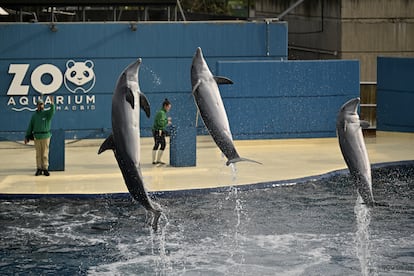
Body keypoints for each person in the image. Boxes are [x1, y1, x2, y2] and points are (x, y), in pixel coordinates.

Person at [24, 96, 56, 176]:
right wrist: (27, 136)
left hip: (45, 136)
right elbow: (30, 126)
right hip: (37, 137)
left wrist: (52, 103)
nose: (40, 106)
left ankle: (45, 168)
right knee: (38, 154)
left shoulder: (47, 114)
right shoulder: (34, 116)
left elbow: (52, 111)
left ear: (43, 105)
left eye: (41, 104)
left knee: (45, 154)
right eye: (39, 104)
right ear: (37, 105)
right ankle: (39, 168)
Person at [152, 98, 172, 165]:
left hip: (158, 130)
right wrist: (167, 121)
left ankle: (156, 160)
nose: (169, 109)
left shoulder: (162, 112)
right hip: (158, 130)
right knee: (161, 144)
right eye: (169, 107)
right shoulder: (161, 113)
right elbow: (160, 123)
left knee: (159, 144)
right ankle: (156, 160)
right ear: (165, 106)